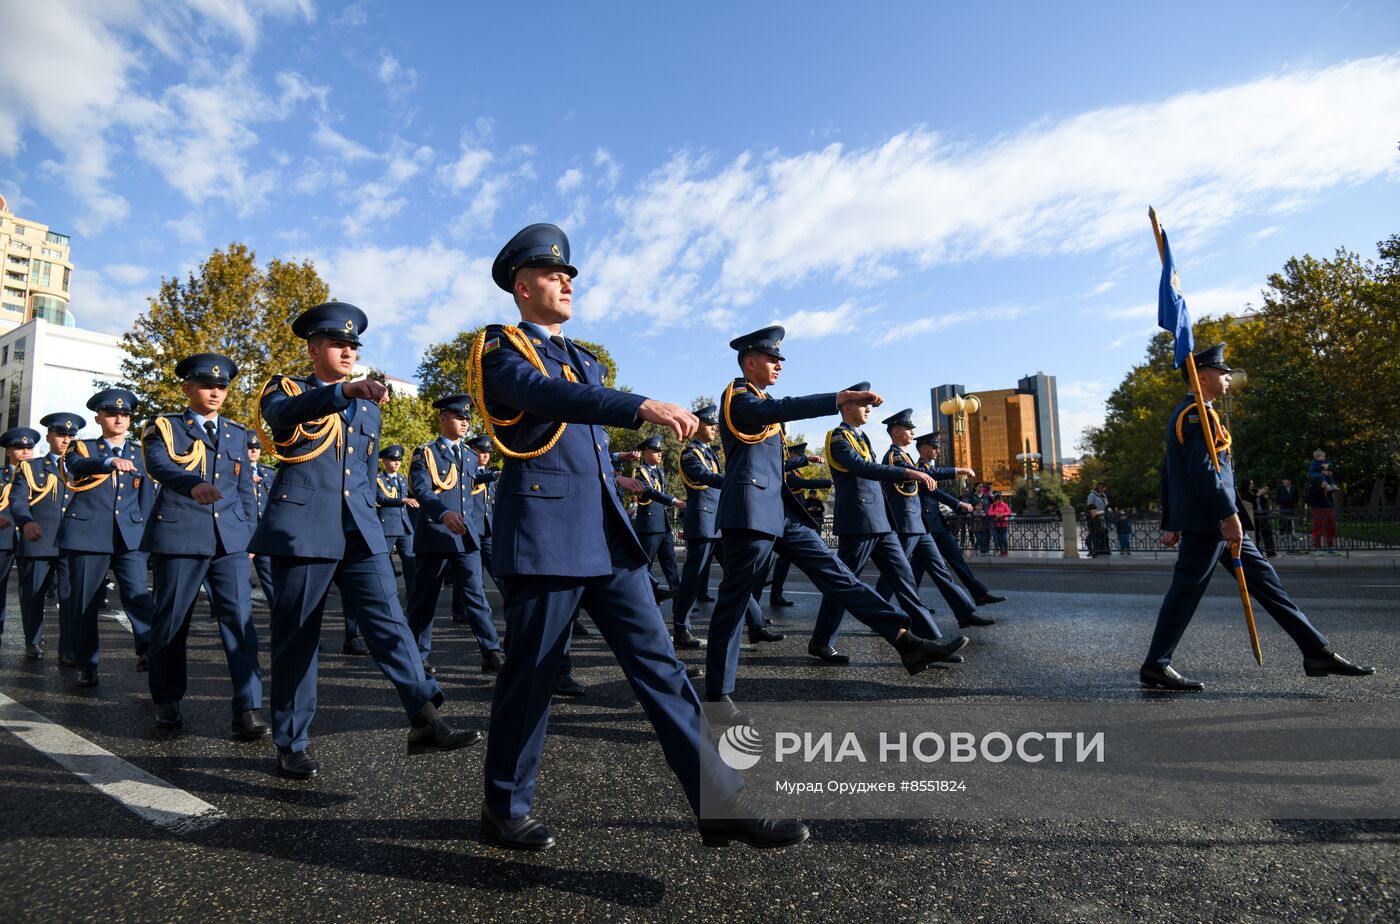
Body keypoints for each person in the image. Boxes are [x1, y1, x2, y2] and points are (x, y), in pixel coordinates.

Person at [473, 223, 805, 850]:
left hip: (606, 536)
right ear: (521, 287)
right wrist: (641, 405)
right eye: (552, 274)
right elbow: (541, 395)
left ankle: (719, 803)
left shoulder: (585, 357)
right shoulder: (500, 349)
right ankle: (503, 806)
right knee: (531, 677)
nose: (567, 281)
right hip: (547, 534)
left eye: (569, 275)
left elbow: (585, 423)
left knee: (661, 667)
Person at [250, 301, 480, 780]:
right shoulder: (286, 388)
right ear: (313, 349)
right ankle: (291, 742)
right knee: (297, 638)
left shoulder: (367, 406)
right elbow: (283, 416)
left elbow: (363, 473)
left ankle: (425, 717)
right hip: (303, 530)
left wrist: (353, 396)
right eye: (339, 343)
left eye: (354, 345)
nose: (349, 350)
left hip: (360, 529)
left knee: (391, 623)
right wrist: (340, 393)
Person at [709, 329, 968, 710]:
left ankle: (905, 641)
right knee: (734, 602)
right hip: (749, 513)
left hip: (781, 512)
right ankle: (717, 693)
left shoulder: (761, 400)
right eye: (772, 359)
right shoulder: (738, 397)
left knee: (839, 576)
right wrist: (837, 399)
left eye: (779, 360)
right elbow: (777, 409)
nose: (779, 364)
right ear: (750, 362)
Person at [1140, 342, 1374, 690]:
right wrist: (1226, 514)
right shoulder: (1194, 415)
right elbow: (1203, 473)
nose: (1226, 378)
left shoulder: (1200, 412)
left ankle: (1316, 651)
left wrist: (1172, 520)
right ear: (1203, 376)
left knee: (1268, 585)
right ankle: (1155, 666)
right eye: (1222, 373)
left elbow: (1168, 471)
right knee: (1185, 592)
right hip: (1211, 525)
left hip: (1218, 522)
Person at [140, 352, 267, 738]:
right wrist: (190, 483)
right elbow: (158, 464)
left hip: (228, 540)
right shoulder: (164, 426)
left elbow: (245, 489)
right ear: (187, 388)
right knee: (172, 622)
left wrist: (251, 535)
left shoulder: (236, 432)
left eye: (222, 387)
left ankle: (248, 707)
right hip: (180, 536)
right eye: (207, 385)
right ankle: (167, 699)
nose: (215, 392)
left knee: (240, 624)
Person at [61, 388, 156, 687]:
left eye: (125, 414)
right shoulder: (83, 449)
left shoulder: (141, 453)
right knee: (85, 603)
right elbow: (75, 467)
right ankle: (87, 664)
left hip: (130, 536)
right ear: (99, 417)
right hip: (88, 534)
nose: (119, 418)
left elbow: (147, 498)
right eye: (112, 414)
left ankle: (148, 649)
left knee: (139, 595)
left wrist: (148, 538)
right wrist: (107, 463)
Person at [407, 395, 503, 674]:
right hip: (436, 534)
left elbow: (469, 488)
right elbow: (422, 490)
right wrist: (442, 514)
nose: (464, 422)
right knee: (425, 600)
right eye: (459, 417)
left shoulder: (471, 455)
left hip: (466, 537)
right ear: (442, 419)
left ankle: (490, 650)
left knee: (476, 595)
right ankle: (417, 655)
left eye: (467, 419)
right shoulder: (426, 453)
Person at [871, 409, 992, 631]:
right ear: (896, 432)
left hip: (919, 525)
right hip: (905, 524)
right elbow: (926, 479)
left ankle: (965, 613)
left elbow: (926, 476)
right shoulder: (894, 456)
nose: (912, 432)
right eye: (908, 429)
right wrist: (957, 482)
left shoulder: (904, 456)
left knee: (940, 570)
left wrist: (956, 472)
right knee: (895, 573)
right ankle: (877, 615)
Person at [671, 405, 774, 649]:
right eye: (710, 424)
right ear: (697, 427)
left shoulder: (710, 454)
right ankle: (681, 628)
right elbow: (705, 477)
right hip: (702, 522)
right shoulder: (690, 454)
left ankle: (756, 625)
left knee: (739, 575)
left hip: (718, 522)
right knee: (693, 580)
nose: (715, 428)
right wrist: (735, 481)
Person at [10, 413, 79, 660]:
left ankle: (68, 648)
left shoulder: (84, 467)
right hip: (38, 540)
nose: (66, 439)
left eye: (71, 435)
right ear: (50, 436)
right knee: (33, 595)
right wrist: (26, 523)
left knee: (70, 597)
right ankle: (33, 639)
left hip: (73, 541)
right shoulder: (31, 467)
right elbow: (17, 501)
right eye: (61, 434)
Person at [911, 437, 1006, 606]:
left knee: (957, 560)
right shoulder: (920, 469)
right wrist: (959, 502)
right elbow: (934, 490)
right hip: (926, 525)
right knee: (917, 568)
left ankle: (979, 593)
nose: (937, 451)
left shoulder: (928, 469)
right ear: (924, 449)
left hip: (938, 524)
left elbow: (936, 475)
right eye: (934, 447)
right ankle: (911, 607)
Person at [765, 442, 832, 607]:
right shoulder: (787, 473)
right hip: (784, 522)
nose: (801, 457)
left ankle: (775, 595)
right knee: (768, 565)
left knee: (784, 562)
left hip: (796, 522)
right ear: (791, 455)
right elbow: (806, 485)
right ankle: (764, 602)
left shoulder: (795, 472)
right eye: (799, 455)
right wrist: (829, 482)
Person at [632, 434, 684, 599]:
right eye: (656, 450)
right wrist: (674, 500)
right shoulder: (641, 472)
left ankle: (679, 606)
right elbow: (649, 491)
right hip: (649, 526)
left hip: (663, 526)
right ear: (646, 451)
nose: (660, 454)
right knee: (643, 567)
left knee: (671, 566)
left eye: (660, 451)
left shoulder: (660, 471)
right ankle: (644, 598)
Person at [0, 429, 35, 652]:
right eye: (20, 448)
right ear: (9, 451)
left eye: (29, 448)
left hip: (33, 540)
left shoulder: (42, 474)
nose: (25, 452)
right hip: (4, 538)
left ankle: (33, 639)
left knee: (33, 591)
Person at [376, 444, 418, 606]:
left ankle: (413, 601)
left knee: (411, 563)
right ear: (384, 461)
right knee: (384, 565)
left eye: (399, 460)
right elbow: (381, 499)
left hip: (404, 526)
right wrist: (402, 500)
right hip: (388, 527)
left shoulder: (402, 479)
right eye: (393, 460)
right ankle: (387, 601)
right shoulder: (378, 479)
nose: (396, 463)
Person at [246, 432, 278, 607]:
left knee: (269, 578)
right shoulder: (234, 471)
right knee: (240, 581)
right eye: (250, 448)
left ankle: (278, 615)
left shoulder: (267, 472)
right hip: (243, 532)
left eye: (257, 447)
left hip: (262, 533)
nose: (254, 451)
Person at [1306, 463, 1340, 556]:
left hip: (1328, 507)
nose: (1328, 471)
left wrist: (1331, 485)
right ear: (1321, 470)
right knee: (1318, 528)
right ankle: (1316, 548)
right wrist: (1321, 488)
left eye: (1329, 470)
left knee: (1331, 528)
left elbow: (1332, 489)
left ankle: (1331, 547)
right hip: (1318, 508)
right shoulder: (1313, 479)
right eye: (1326, 470)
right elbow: (1310, 493)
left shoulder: (1329, 479)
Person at [1248, 480, 1276, 558]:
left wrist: (1264, 496)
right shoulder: (1246, 493)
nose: (1252, 485)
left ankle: (1270, 551)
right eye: (1250, 484)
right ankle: (1257, 551)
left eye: (1252, 484)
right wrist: (1258, 494)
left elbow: (1262, 501)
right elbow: (1250, 501)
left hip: (1263, 515)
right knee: (1256, 535)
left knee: (1267, 533)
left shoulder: (1255, 491)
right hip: (1254, 517)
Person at [1275, 478, 1300, 553]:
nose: (1285, 482)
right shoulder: (1280, 488)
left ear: (1290, 481)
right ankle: (1282, 530)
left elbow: (1296, 496)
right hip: (1283, 506)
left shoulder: (1293, 487)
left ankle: (1290, 533)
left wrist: (1294, 501)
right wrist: (1279, 503)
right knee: (1283, 519)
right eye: (1284, 480)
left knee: (1290, 520)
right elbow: (1277, 497)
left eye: (1287, 480)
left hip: (1291, 506)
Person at [987, 492, 1012, 557]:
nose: (1000, 500)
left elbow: (1009, 512)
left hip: (1004, 524)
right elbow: (989, 513)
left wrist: (1003, 514)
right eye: (998, 499)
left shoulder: (1005, 505)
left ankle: (1005, 551)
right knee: (999, 539)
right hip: (996, 525)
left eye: (1001, 499)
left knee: (1004, 539)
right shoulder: (993, 505)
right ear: (996, 500)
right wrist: (996, 514)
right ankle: (1001, 551)